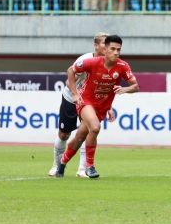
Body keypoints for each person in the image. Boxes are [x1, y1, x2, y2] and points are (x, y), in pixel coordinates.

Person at [56, 35, 139, 178]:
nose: (116, 52)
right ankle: (90, 167)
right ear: (105, 49)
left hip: (102, 106)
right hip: (86, 101)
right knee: (94, 127)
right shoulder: (92, 62)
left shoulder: (122, 66)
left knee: (80, 137)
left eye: (118, 49)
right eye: (112, 49)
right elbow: (71, 70)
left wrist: (125, 89)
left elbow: (135, 86)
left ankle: (62, 162)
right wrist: (75, 94)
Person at [48, 33, 111, 178]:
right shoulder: (85, 60)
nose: (108, 47)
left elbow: (107, 86)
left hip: (91, 102)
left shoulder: (110, 62)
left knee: (88, 131)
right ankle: (56, 165)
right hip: (71, 99)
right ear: (96, 45)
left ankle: (82, 169)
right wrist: (77, 95)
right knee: (64, 134)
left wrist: (109, 106)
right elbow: (68, 81)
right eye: (104, 44)